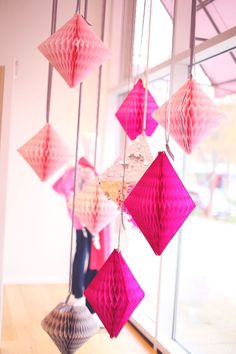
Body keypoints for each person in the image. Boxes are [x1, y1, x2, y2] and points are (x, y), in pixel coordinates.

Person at [52, 157, 111, 312]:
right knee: (84, 255)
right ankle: (79, 294)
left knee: (89, 256)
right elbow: (64, 188)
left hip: (90, 220)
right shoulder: (78, 171)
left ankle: (82, 294)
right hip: (83, 221)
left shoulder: (88, 171)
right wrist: (73, 200)